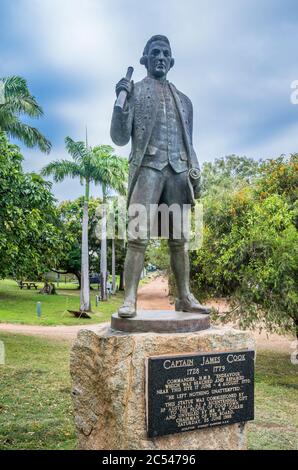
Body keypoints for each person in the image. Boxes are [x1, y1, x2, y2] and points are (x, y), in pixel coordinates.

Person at [111, 35, 211, 318]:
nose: (161, 57)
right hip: (148, 169)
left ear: (172, 60)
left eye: (166, 53)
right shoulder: (135, 91)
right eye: (155, 52)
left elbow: (188, 141)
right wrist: (120, 104)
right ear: (145, 59)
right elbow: (119, 137)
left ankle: (185, 297)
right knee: (137, 237)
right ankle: (130, 298)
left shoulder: (185, 100)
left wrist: (195, 171)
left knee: (180, 239)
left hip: (178, 171)